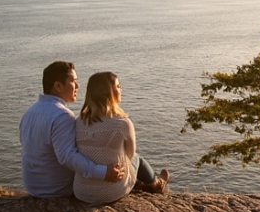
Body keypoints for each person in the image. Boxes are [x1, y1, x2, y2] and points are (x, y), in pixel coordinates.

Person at [20, 61, 125, 197]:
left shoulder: (30, 111)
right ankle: (149, 182)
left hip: (33, 187)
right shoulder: (61, 116)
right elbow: (67, 156)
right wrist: (103, 172)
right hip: (57, 189)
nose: (77, 86)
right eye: (73, 81)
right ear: (58, 86)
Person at [73, 71, 170, 203]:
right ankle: (156, 184)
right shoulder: (122, 123)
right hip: (111, 192)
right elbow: (129, 155)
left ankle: (143, 185)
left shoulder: (78, 121)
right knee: (137, 159)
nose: (121, 89)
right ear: (109, 92)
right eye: (118, 86)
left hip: (82, 192)